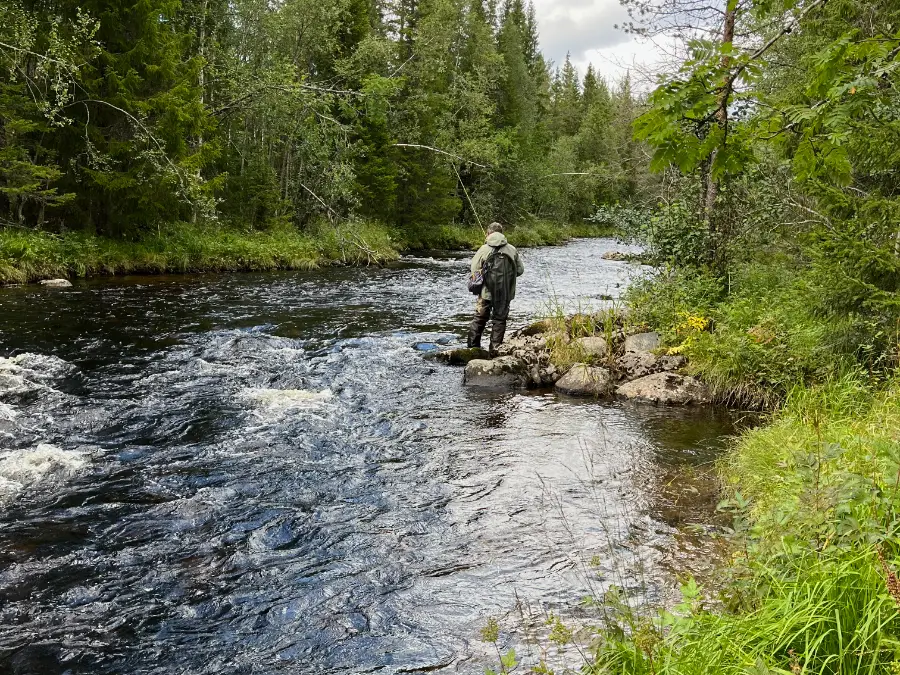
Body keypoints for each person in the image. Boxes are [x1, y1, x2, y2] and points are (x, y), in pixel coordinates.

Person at [467, 222, 524, 355]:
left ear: (488, 233)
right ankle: (494, 351)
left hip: (486, 293)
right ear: (502, 233)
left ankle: (472, 349)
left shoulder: (483, 249)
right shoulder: (512, 249)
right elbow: (520, 270)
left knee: (479, 319)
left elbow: (474, 270)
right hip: (505, 293)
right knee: (499, 321)